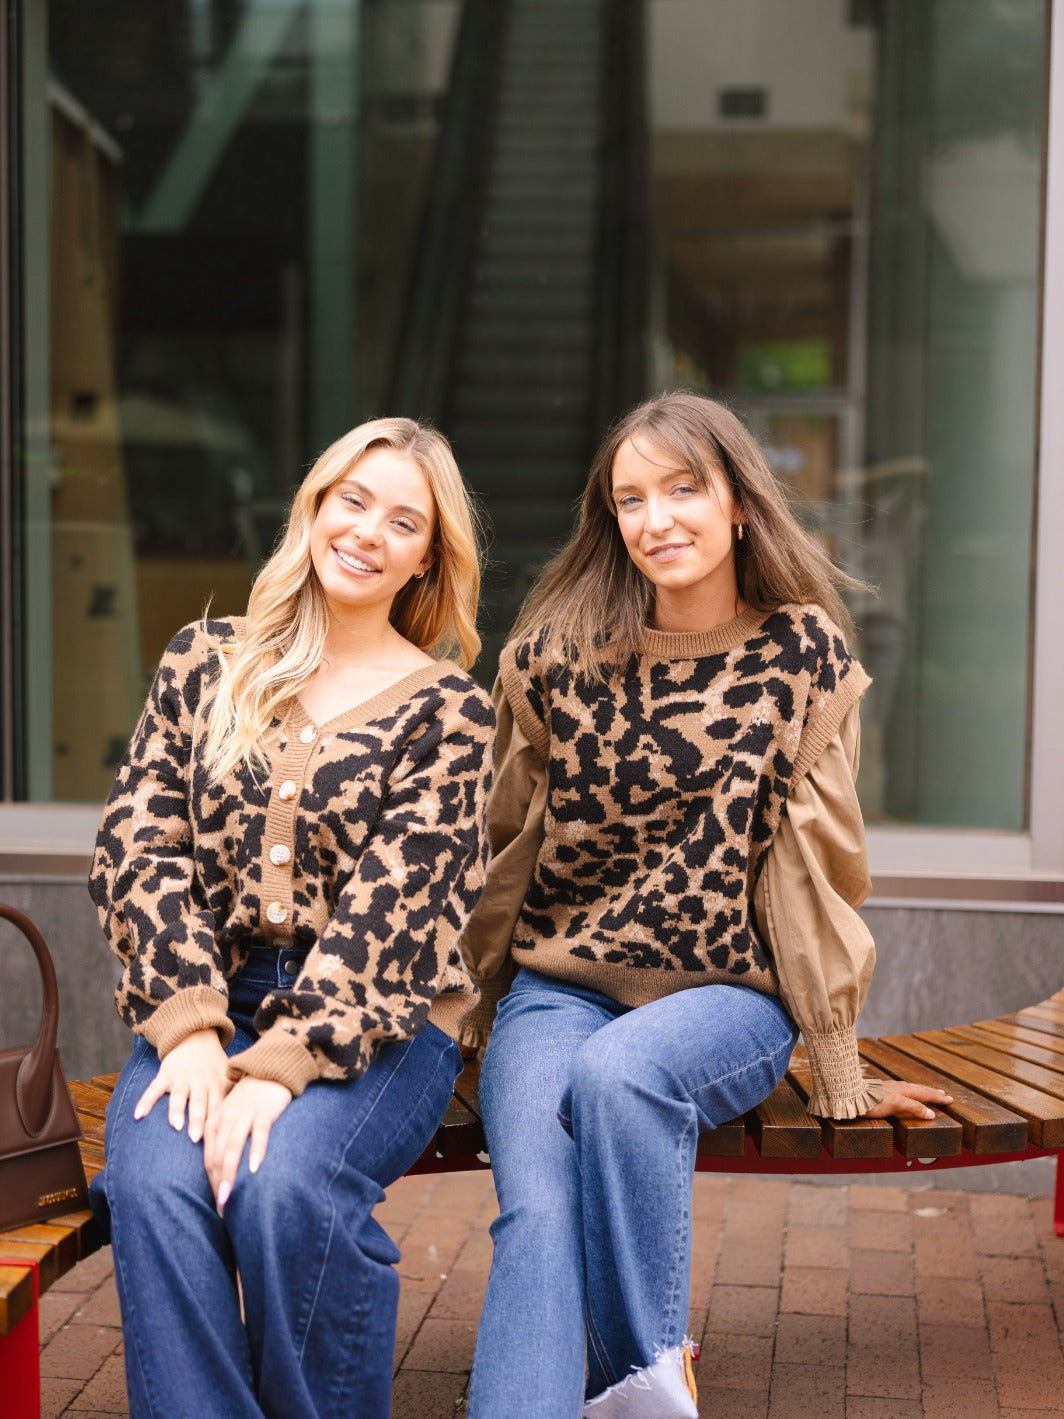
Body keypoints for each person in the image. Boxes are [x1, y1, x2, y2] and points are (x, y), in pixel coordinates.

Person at [457, 392, 951, 1419]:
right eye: (630, 499)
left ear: (736, 504)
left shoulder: (798, 656)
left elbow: (816, 875)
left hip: (730, 998)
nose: (656, 519)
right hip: (559, 989)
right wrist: (466, 1012)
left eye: (682, 489)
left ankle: (644, 1380)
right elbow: (502, 851)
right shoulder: (556, 656)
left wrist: (836, 1061)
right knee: (535, 1223)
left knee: (619, 1074)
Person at [88, 418, 495, 1419]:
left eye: (403, 521)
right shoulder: (206, 661)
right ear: (313, 507)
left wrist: (280, 1068)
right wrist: (189, 1030)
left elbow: (396, 911)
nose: (367, 531)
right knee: (153, 1186)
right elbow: (139, 844)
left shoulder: (450, 712)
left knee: (281, 1186)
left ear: (425, 558)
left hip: (386, 1021)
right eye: (351, 500)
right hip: (213, 998)